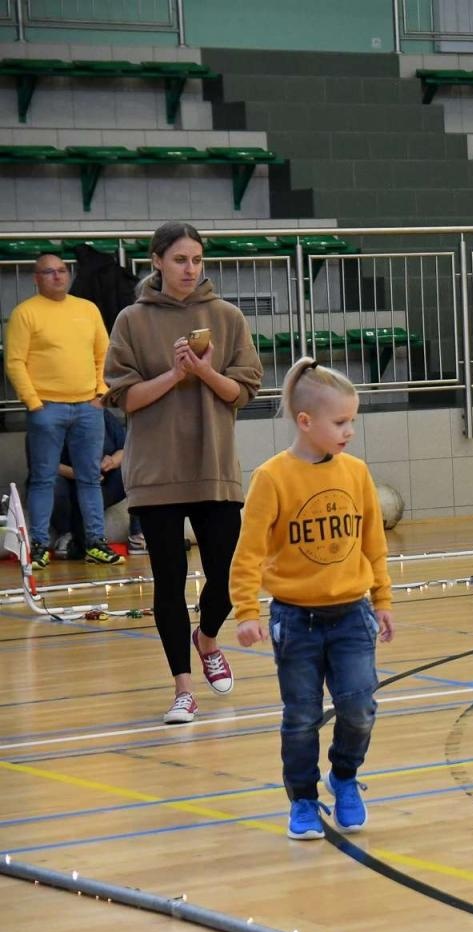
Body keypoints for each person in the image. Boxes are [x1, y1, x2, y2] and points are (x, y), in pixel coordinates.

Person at [103, 222, 263, 725]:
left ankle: (208, 638)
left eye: (196, 259)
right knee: (168, 583)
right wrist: (173, 374)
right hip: (155, 472)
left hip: (213, 467)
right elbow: (123, 397)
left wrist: (204, 371)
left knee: (229, 577)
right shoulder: (131, 319)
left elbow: (243, 391)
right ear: (156, 261)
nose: (190, 268)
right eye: (179, 260)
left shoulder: (228, 317)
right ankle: (182, 688)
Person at [230, 356, 395, 841]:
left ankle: (344, 777)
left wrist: (382, 600)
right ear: (305, 421)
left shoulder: (358, 473)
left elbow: (374, 544)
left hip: (352, 615)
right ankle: (303, 798)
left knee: (359, 706)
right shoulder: (271, 478)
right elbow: (249, 553)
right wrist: (246, 610)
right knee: (301, 716)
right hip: (295, 620)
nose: (349, 432)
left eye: (352, 422)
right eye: (340, 422)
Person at [5, 253, 122, 567]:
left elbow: (104, 354)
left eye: (61, 271)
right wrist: (34, 403)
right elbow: (15, 361)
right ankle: (40, 545)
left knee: (89, 478)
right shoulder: (24, 313)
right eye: (48, 272)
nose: (57, 276)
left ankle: (95, 542)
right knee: (42, 479)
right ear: (36, 278)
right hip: (47, 408)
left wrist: (101, 393)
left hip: (89, 406)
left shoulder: (87, 309)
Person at [49, 405, 144, 558]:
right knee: (51, 482)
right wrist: (81, 474)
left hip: (103, 478)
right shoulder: (53, 417)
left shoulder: (101, 412)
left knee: (135, 467)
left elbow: (126, 447)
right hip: (71, 481)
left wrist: (113, 461)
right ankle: (66, 534)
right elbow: (46, 462)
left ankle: (138, 534)